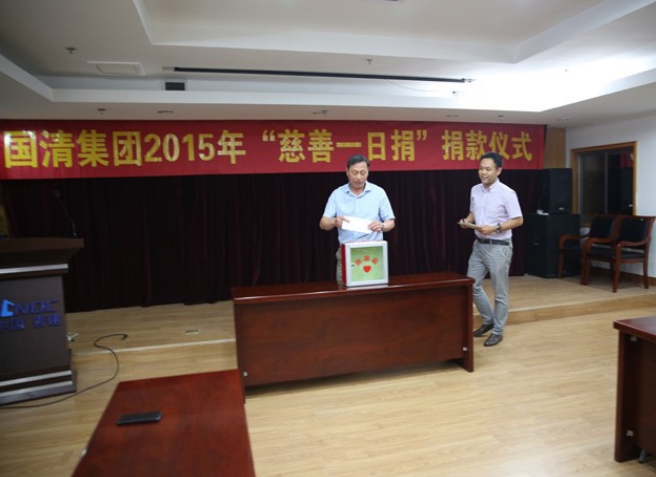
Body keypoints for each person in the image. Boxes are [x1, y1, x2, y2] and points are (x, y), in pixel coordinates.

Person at [459, 151, 523, 347]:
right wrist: (467, 221)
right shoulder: (475, 190)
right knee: (472, 285)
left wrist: (495, 228)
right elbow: (473, 212)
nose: (483, 173)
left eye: (487, 169)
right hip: (479, 245)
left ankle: (498, 331)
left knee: (500, 292)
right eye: (480, 168)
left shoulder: (507, 193)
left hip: (499, 247)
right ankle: (488, 320)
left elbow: (518, 220)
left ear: (498, 170)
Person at [320, 154, 396, 283]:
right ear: (347, 171)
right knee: (345, 291)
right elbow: (323, 223)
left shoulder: (379, 193)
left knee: (374, 291)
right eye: (354, 173)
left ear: (368, 172)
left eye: (363, 173)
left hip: (373, 253)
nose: (359, 177)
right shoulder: (337, 194)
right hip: (347, 254)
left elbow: (391, 222)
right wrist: (333, 221)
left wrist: (382, 226)